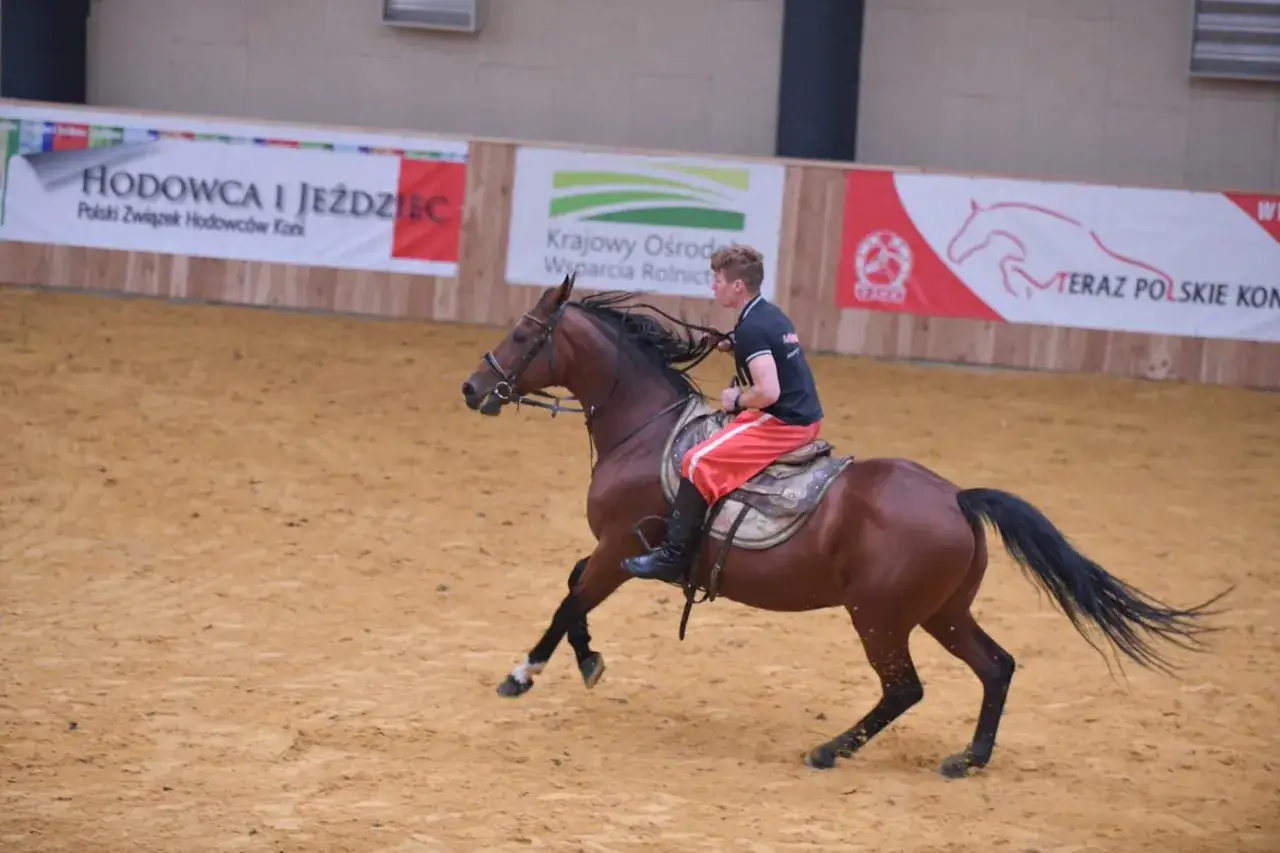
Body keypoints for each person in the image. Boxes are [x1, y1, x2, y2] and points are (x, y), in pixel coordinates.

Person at [622, 244, 825, 583]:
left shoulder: (753, 329)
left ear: (737, 287)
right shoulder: (768, 314)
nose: (712, 286)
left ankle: (672, 557)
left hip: (784, 422)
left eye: (716, 280)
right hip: (801, 412)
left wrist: (736, 400)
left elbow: (769, 391)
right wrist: (732, 344)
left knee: (697, 461)